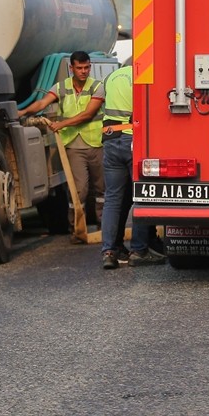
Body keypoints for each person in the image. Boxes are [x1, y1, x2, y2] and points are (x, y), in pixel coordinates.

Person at [18, 51, 106, 234]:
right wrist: (23, 111)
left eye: (87, 67)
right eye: (80, 68)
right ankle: (76, 229)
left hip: (96, 143)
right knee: (79, 189)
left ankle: (103, 227)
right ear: (71, 68)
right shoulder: (61, 87)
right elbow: (42, 104)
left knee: (101, 188)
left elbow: (88, 114)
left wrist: (62, 124)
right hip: (74, 145)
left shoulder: (97, 86)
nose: (84, 71)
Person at [99, 65, 166, 269]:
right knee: (142, 195)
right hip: (133, 141)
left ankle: (110, 252)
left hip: (110, 139)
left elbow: (99, 104)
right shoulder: (142, 76)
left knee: (112, 199)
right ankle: (139, 250)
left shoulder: (111, 76)